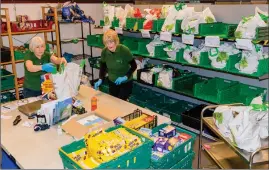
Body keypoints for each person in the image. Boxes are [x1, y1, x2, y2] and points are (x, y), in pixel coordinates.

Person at [94, 29, 137, 101]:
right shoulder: (104, 51)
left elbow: (134, 66)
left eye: (111, 42)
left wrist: (125, 77)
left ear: (116, 41)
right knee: (113, 102)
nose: (109, 45)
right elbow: (103, 66)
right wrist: (100, 79)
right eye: (107, 43)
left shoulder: (124, 50)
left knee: (121, 102)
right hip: (112, 81)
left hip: (125, 82)